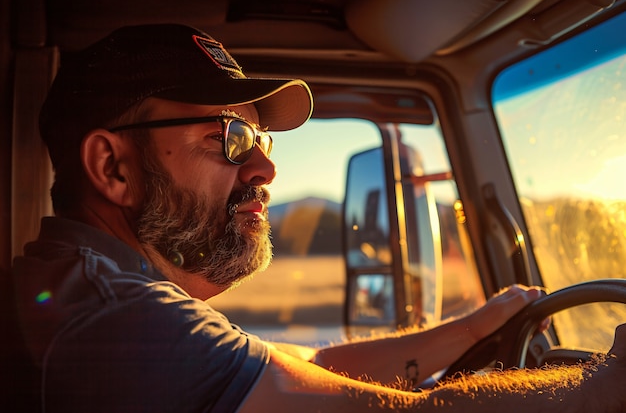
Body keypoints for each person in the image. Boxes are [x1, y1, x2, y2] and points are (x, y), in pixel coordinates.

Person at [11, 23, 625, 413]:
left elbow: (310, 372)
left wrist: (472, 330)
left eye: (262, 141)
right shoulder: (113, 317)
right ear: (112, 167)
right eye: (229, 137)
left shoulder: (95, 287)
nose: (263, 170)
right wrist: (604, 390)